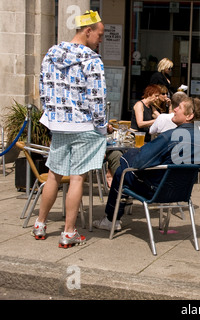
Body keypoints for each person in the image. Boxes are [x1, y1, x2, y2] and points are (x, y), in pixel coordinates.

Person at [34, 10, 107, 248]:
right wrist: (102, 125)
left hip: (59, 123)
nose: (100, 39)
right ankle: (68, 232)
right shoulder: (92, 60)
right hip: (83, 124)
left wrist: (52, 115)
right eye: (100, 34)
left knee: (54, 174)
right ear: (88, 31)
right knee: (77, 178)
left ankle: (40, 224)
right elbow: (97, 98)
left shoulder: (50, 54)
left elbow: (43, 91)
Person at [93, 97, 200, 231]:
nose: (175, 109)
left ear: (189, 116)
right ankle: (117, 210)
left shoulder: (170, 136)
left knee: (123, 169)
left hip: (155, 190)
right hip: (181, 192)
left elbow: (140, 162)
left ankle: (111, 219)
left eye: (180, 108)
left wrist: (131, 154)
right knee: (127, 165)